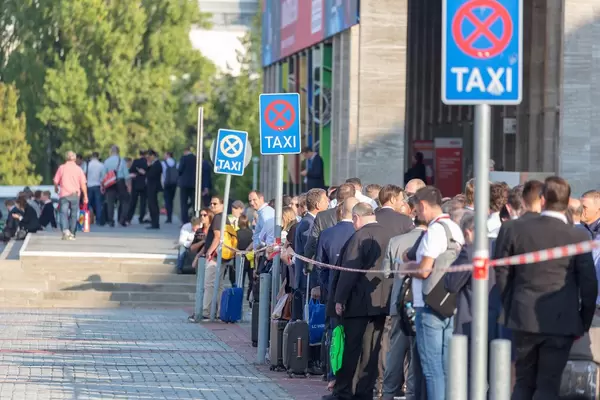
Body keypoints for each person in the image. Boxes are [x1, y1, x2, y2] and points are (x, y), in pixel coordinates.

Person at [496, 176, 597, 399]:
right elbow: (589, 284)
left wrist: (511, 304)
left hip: (524, 316)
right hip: (561, 321)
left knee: (523, 382)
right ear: (568, 201)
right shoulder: (577, 235)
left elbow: (502, 273)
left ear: (543, 200)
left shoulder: (514, 229)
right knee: (548, 385)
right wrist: (583, 321)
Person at [325, 203, 394, 400]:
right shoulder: (389, 235)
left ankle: (343, 390)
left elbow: (349, 271)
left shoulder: (360, 236)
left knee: (351, 348)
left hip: (358, 303)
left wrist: (340, 299)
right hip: (381, 302)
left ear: (356, 217)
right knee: (372, 349)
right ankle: (364, 391)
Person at [53, 150, 88, 240]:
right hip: (75, 195)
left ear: (66, 158)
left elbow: (56, 180)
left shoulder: (62, 168)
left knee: (63, 213)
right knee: (73, 214)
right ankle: (72, 233)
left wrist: (56, 188)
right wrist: (85, 196)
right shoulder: (79, 169)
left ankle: (65, 231)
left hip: (64, 194)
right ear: (75, 158)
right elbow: (83, 184)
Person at [103, 145, 130, 227]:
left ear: (111, 151)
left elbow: (104, 175)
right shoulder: (122, 161)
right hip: (120, 181)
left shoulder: (106, 161)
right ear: (118, 152)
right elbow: (126, 175)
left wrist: (103, 185)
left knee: (110, 202)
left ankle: (111, 221)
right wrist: (128, 185)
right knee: (125, 200)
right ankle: (122, 219)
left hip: (110, 183)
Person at [128, 150, 149, 225]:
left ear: (139, 154)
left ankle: (129, 218)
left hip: (135, 183)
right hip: (144, 184)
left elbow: (131, 171)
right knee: (143, 202)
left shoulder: (136, 161)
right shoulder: (147, 162)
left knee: (133, 201)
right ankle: (141, 218)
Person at [145, 150, 163, 230]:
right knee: (151, 205)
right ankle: (153, 222)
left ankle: (155, 223)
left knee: (153, 205)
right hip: (151, 187)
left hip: (154, 187)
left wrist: (148, 168)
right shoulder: (154, 164)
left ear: (153, 156)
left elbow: (151, 175)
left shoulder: (157, 164)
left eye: (149, 156)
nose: (148, 158)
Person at [161, 151, 178, 224]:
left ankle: (169, 218)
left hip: (166, 184)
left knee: (167, 201)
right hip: (174, 184)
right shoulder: (176, 163)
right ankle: (170, 215)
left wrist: (162, 184)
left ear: (168, 155)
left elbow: (162, 175)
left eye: (164, 154)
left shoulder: (163, 163)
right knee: (171, 200)